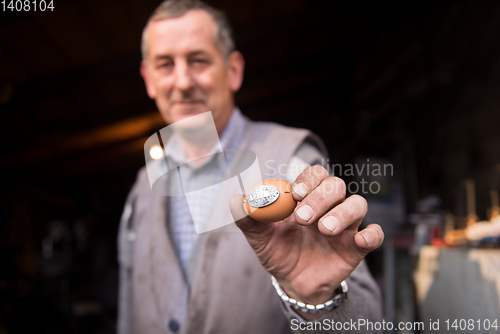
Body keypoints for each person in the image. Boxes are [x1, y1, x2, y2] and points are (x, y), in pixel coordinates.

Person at [117, 0, 385, 333]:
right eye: (165, 65)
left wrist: (319, 302)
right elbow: (129, 312)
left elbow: (368, 323)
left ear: (233, 71)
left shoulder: (291, 158)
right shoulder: (143, 185)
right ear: (148, 79)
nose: (182, 81)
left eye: (198, 61)